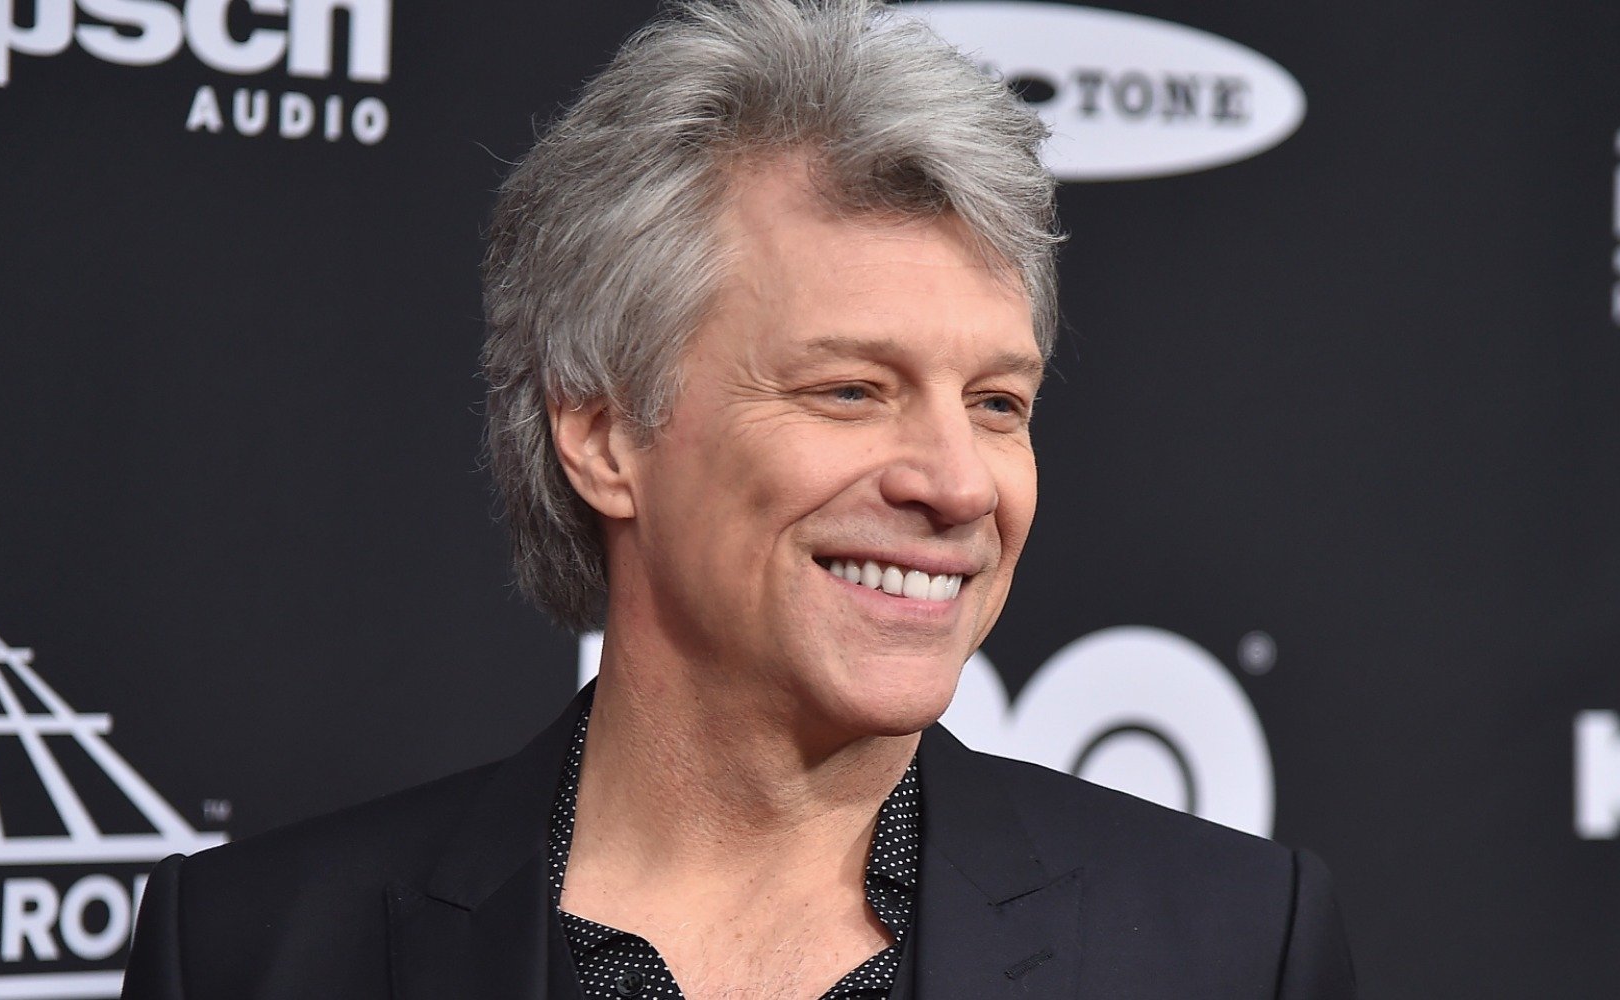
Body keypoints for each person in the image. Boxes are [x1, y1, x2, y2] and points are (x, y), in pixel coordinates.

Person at [121, 1, 1357, 997]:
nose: (954, 482)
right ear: (603, 432)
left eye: (996, 402)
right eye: (850, 390)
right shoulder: (255, 953)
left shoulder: (1230, 949)